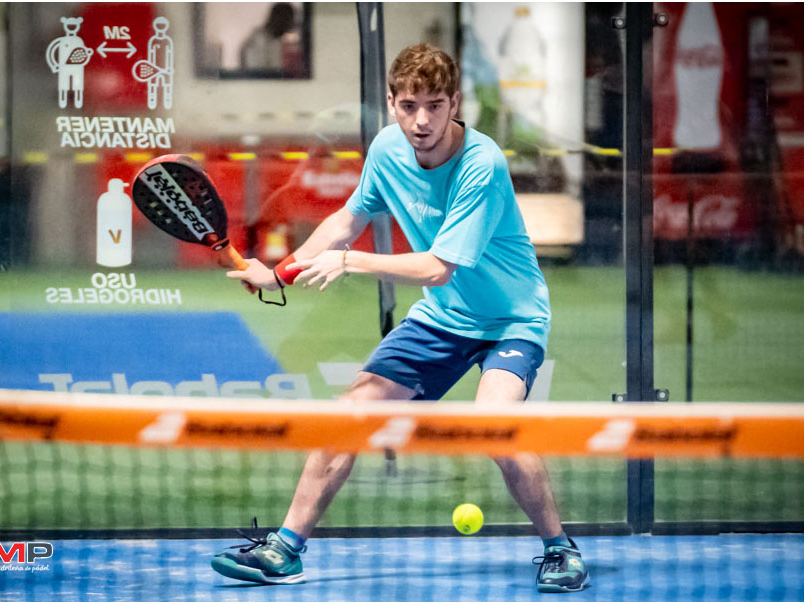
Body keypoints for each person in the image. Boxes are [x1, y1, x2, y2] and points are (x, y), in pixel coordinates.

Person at [213, 43, 589, 594]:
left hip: (511, 320)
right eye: (410, 106)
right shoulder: (388, 148)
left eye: (435, 105)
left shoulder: (481, 164)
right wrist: (280, 273)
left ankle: (560, 549)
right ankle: (285, 550)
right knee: (348, 416)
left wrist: (351, 262)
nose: (422, 121)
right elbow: (347, 220)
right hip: (442, 317)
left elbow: (437, 267)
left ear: (455, 103)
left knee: (495, 426)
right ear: (392, 103)